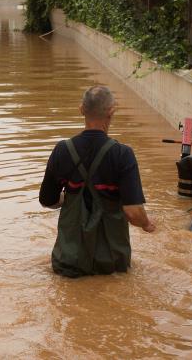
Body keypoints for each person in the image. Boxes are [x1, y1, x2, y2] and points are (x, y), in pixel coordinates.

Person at [39, 85, 155, 277]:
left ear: (81, 109)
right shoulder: (122, 154)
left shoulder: (62, 150)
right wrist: (147, 224)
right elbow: (133, 212)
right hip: (112, 265)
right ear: (112, 111)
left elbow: (47, 200)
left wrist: (68, 199)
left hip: (68, 262)